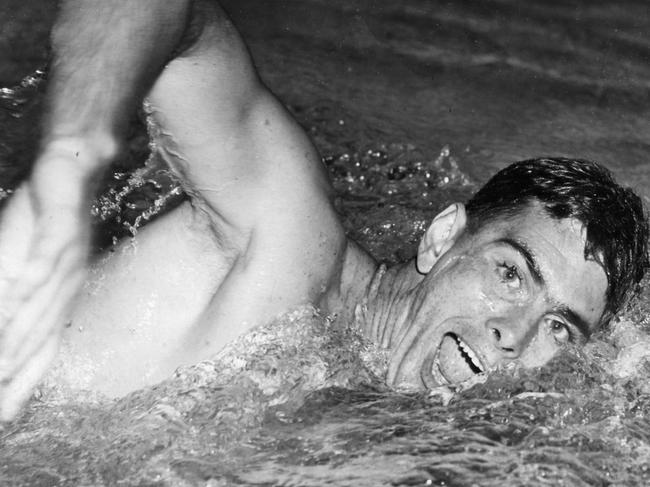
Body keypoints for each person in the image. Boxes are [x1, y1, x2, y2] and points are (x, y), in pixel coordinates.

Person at [0, 0, 647, 421]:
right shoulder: (288, 241)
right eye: (511, 273)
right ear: (443, 236)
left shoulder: (389, 422)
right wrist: (65, 174)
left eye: (561, 328)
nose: (516, 331)